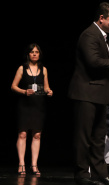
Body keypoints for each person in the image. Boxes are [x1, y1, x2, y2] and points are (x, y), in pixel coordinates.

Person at [68, 2, 109, 185]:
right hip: (86, 93)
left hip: (99, 95)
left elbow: (103, 64)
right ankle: (82, 175)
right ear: (102, 18)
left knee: (98, 138)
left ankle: (100, 175)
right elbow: (93, 62)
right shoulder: (89, 34)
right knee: (84, 138)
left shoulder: (103, 37)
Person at [11, 43, 53, 175]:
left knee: (37, 135)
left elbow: (46, 87)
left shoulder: (44, 69)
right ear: (28, 54)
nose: (34, 54)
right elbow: (13, 86)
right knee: (22, 134)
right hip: (25, 104)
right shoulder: (22, 68)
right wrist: (24, 92)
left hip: (38, 105)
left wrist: (49, 91)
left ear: (39, 54)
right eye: (32, 52)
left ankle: (34, 165)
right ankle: (21, 164)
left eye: (36, 52)